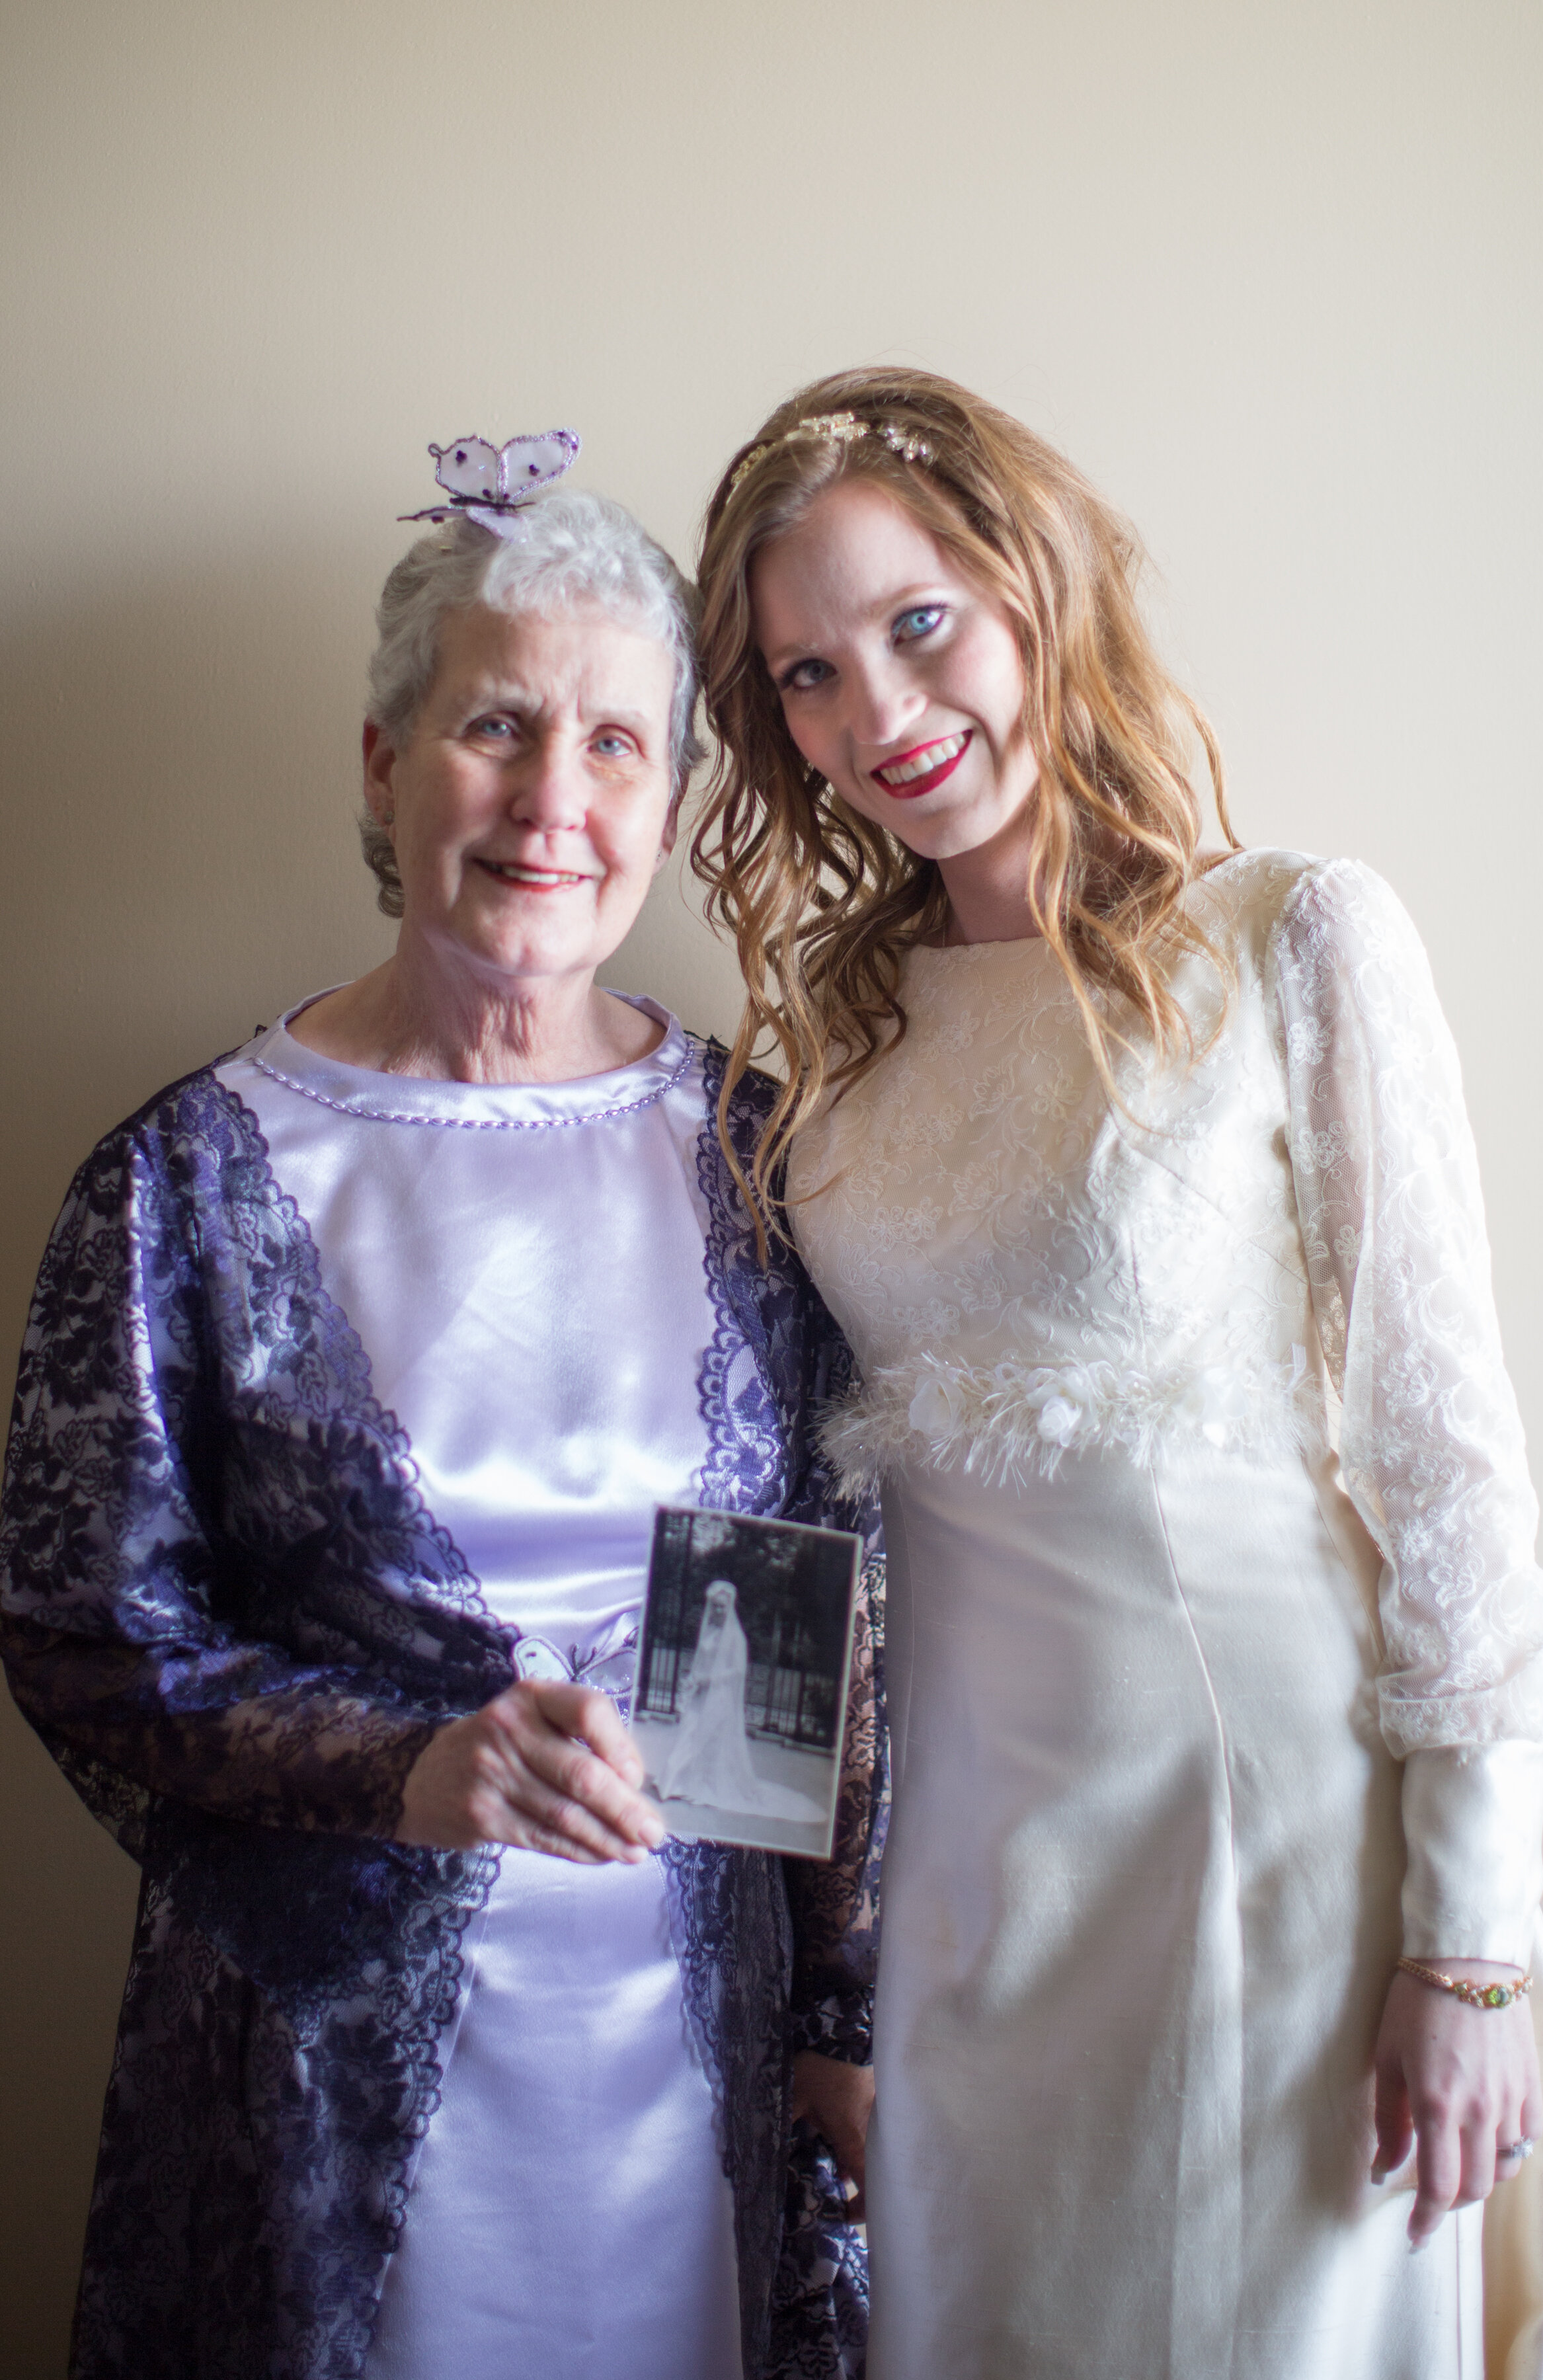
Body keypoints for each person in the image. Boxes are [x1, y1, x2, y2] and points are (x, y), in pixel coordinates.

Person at [690, 367, 1543, 2377]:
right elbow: (774, 1489)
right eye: (808, 675)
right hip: (970, 1876)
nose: (881, 718)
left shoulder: (1291, 936)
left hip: (1263, 1847)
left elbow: (1449, 1468)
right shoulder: (824, 1052)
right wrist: (807, 1963)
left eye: (917, 626)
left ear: (1034, 586)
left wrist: (1465, 1943)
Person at [0, 456, 884, 2380]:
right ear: (387, 760)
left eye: (615, 744)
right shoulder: (188, 1177)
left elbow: (814, 1610)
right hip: (313, 2055)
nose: (553, 802)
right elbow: (81, 1641)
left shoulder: (759, 1155)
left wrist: (836, 2016)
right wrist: (407, 1770)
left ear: (673, 797)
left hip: (681, 2059)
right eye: (495, 726)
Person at [653, 1579, 823, 1821]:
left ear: (730, 1607)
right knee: (690, 1732)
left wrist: (710, 1679)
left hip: (720, 1696)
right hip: (701, 1694)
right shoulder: (710, 1632)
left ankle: (701, 1786)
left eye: (722, 1607)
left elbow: (739, 1671)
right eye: (715, 1606)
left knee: (706, 1740)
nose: (718, 1611)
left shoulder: (736, 1638)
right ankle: (677, 1782)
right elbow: (700, 1662)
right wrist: (693, 1680)